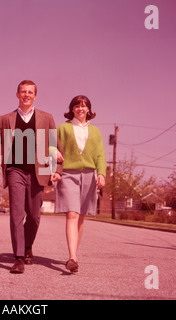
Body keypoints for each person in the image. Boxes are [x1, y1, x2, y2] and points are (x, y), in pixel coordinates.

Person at [0, 80, 64, 274]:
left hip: (38, 172)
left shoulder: (46, 118)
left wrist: (58, 168)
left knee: (34, 216)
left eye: (30, 92)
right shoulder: (5, 119)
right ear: (17, 94)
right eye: (23, 91)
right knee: (16, 213)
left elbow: (55, 146)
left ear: (35, 96)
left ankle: (28, 245)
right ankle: (19, 257)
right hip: (15, 169)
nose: (26, 95)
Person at [55, 95, 106, 273]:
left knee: (81, 216)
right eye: (77, 106)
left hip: (89, 176)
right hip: (68, 173)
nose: (80, 109)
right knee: (72, 214)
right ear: (72, 109)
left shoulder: (96, 132)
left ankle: (73, 253)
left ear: (89, 110)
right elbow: (52, 146)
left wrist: (101, 174)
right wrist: (54, 159)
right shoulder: (63, 128)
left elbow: (100, 155)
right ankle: (72, 258)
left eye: (84, 106)